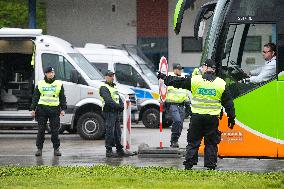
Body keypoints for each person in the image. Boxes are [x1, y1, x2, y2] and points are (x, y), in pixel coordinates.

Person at [157, 59, 236, 170]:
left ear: (205, 67)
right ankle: (210, 165)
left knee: (193, 141)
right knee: (211, 143)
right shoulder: (221, 83)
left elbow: (178, 81)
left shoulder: (196, 80)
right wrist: (231, 118)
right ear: (214, 69)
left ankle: (189, 164)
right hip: (212, 119)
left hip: (197, 117)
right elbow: (228, 103)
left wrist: (164, 77)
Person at [30, 67, 66, 156]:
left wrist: (63, 109)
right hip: (42, 109)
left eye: (52, 72)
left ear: (54, 73)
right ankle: (39, 149)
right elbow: (35, 97)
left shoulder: (58, 84)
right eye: (49, 72)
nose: (51, 74)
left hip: (54, 110)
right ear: (45, 74)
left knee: (55, 131)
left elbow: (62, 97)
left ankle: (56, 149)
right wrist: (33, 109)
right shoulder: (40, 84)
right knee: (41, 130)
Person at [99, 70, 127, 157]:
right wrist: (119, 106)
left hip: (115, 112)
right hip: (109, 111)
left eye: (113, 76)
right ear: (106, 77)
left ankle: (119, 149)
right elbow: (108, 100)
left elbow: (118, 98)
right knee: (110, 131)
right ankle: (109, 150)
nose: (112, 77)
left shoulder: (113, 87)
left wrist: (122, 105)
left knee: (118, 131)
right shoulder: (103, 87)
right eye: (110, 76)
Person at [166, 63, 188, 148]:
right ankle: (174, 140)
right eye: (178, 69)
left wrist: (187, 101)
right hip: (172, 104)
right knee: (177, 121)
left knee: (180, 124)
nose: (180, 71)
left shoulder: (183, 78)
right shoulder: (169, 79)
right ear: (174, 69)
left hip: (181, 105)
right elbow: (163, 91)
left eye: (181, 69)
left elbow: (185, 91)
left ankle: (175, 140)